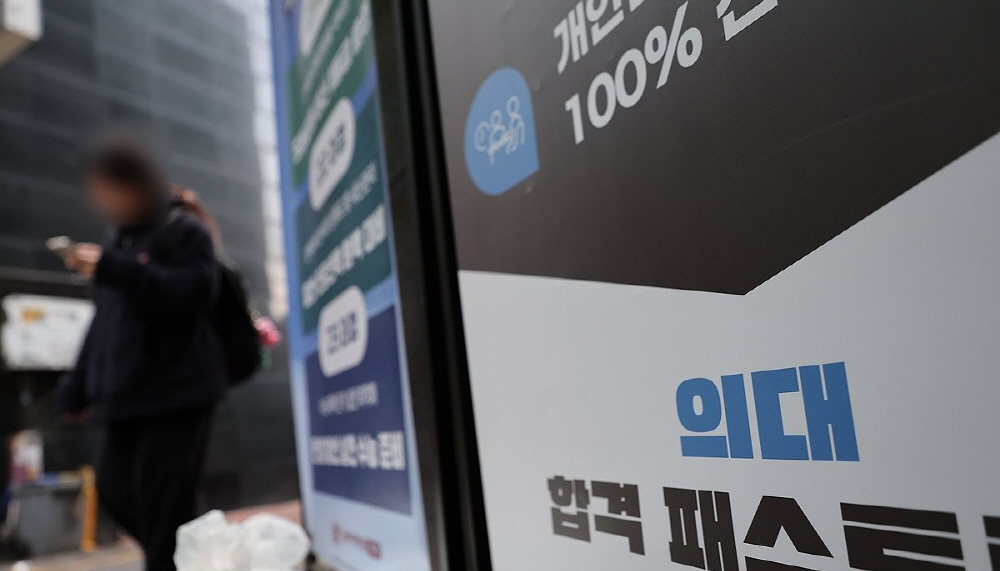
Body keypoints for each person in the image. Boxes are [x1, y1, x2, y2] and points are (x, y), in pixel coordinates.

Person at [55, 136, 226, 571]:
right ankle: (195, 556)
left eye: (111, 190)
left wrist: (116, 268)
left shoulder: (182, 231)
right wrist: (76, 387)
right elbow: (104, 324)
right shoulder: (119, 244)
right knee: (116, 490)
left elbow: (195, 291)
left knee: (163, 503)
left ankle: (180, 559)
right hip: (126, 396)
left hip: (176, 390)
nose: (105, 201)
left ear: (137, 185)